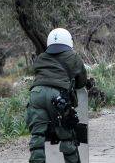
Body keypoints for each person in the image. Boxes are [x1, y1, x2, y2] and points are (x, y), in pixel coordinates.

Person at [26, 28, 87, 163]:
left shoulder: (41, 57)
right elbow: (81, 82)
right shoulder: (73, 57)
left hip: (37, 94)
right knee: (67, 135)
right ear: (68, 41)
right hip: (58, 96)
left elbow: (37, 72)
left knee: (37, 135)